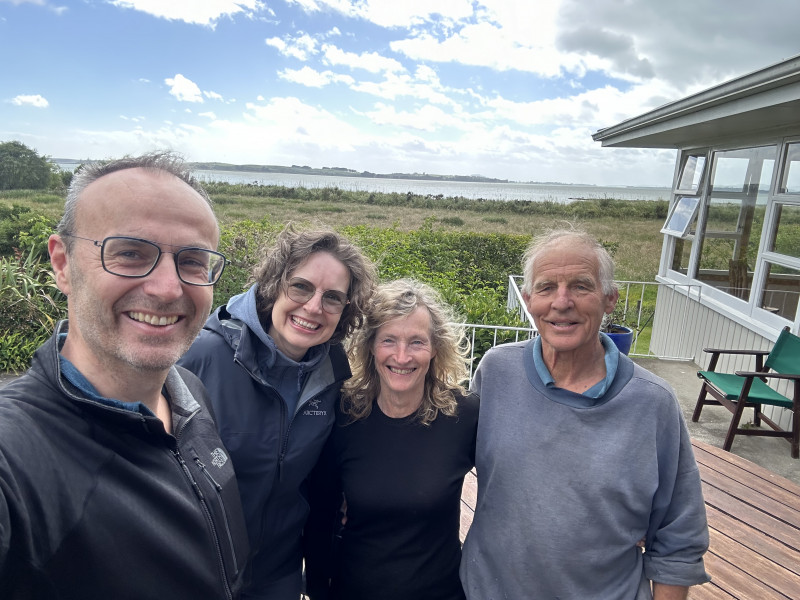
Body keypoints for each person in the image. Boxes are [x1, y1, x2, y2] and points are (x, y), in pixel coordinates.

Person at [0, 152, 249, 599]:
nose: (168, 288)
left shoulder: (188, 394)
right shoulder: (15, 456)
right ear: (62, 263)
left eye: (193, 261)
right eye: (131, 253)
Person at [460, 228, 710, 600]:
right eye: (546, 288)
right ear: (528, 300)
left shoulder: (652, 402)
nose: (562, 302)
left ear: (609, 299)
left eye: (580, 286)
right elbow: (441, 460)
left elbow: (679, 536)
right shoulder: (496, 372)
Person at [178, 224, 377, 599]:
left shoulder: (332, 375)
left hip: (276, 575)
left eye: (333, 297)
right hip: (190, 572)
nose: (314, 307)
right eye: (301, 286)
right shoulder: (202, 355)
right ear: (273, 285)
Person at [305, 278, 479, 600]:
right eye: (389, 340)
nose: (401, 356)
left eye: (416, 342)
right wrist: (317, 588)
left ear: (435, 349)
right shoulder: (344, 415)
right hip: (353, 590)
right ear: (370, 347)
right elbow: (321, 513)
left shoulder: (464, 415)